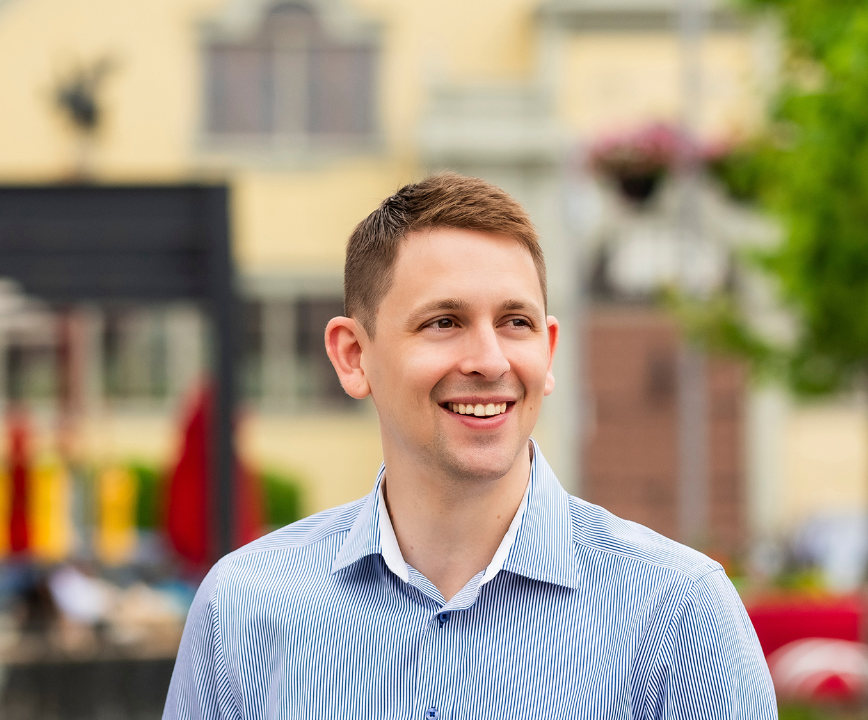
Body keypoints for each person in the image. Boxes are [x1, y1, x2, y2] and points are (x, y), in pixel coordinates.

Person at [164, 173, 775, 719]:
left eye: (516, 322)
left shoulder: (680, 612)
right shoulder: (244, 610)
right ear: (354, 356)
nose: (489, 361)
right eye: (444, 322)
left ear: (550, 350)